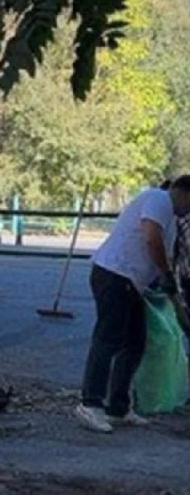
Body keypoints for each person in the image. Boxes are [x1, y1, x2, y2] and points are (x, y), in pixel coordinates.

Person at [75, 175, 190, 432]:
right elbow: (151, 238)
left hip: (132, 282)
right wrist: (166, 275)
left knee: (135, 343)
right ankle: (90, 404)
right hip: (114, 274)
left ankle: (118, 406)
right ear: (183, 192)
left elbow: (163, 251)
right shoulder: (159, 199)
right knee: (108, 339)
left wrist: (166, 288)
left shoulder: (171, 217)